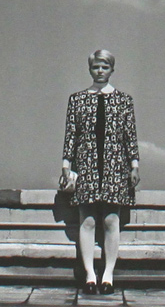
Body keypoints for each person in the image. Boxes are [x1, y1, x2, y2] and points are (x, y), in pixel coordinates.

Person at [59, 49, 140, 295]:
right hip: (87, 165)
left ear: (112, 69)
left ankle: (108, 275)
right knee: (88, 220)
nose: (100, 71)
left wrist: (134, 165)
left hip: (116, 166)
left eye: (105, 67)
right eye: (96, 67)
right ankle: (89, 275)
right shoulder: (77, 99)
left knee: (111, 220)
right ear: (90, 69)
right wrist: (66, 165)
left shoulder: (124, 100)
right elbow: (71, 134)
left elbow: (130, 136)